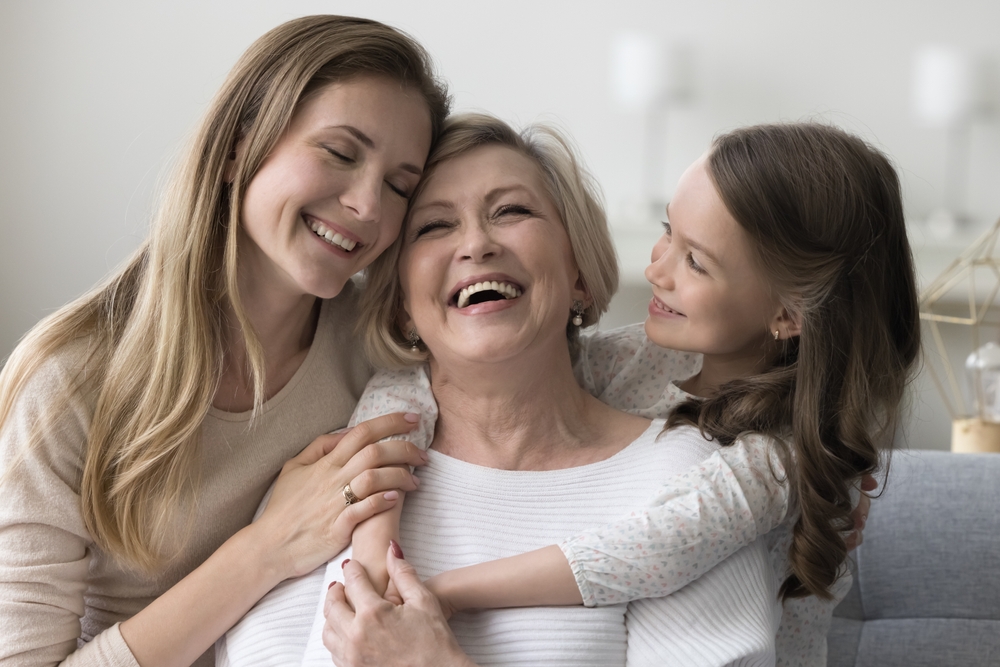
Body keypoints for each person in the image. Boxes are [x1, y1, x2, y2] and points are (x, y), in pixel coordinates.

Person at [220, 114, 901, 667]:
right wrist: (374, 542)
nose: (476, 244)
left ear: (578, 272)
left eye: (510, 210)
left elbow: (642, 552)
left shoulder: (715, 467)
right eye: (434, 225)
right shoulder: (333, 479)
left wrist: (433, 624)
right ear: (400, 303)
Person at [0, 15, 450, 667]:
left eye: (399, 185)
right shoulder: (67, 379)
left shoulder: (382, 351)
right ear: (241, 145)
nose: (368, 205)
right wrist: (267, 546)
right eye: (341, 152)